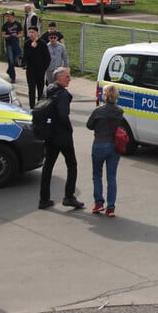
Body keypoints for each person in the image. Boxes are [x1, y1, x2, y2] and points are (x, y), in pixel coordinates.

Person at [38, 67, 83, 210]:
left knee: (48, 166)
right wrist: (69, 130)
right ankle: (69, 197)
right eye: (67, 77)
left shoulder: (48, 90)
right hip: (62, 136)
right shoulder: (62, 94)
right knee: (72, 164)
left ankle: (44, 199)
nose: (70, 79)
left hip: (50, 135)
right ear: (59, 77)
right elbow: (63, 115)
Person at [86, 84, 123, 217]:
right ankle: (111, 207)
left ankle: (99, 203)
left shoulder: (98, 111)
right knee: (111, 177)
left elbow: (89, 125)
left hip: (99, 144)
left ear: (105, 96)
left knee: (97, 175)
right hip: (113, 146)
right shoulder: (119, 111)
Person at [22, 27, 50, 109]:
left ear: (37, 33)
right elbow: (25, 57)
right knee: (31, 89)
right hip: (30, 70)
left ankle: (40, 106)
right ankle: (32, 107)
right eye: (30, 32)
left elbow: (47, 58)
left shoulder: (42, 43)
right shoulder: (27, 43)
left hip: (40, 71)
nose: (31, 34)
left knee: (40, 89)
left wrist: (44, 68)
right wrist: (31, 48)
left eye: (33, 32)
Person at [0, 10, 23, 84]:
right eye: (7, 16)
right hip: (9, 44)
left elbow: (21, 34)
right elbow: (3, 35)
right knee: (11, 60)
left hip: (16, 44)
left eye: (9, 16)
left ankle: (9, 70)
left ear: (13, 16)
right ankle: (13, 77)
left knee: (16, 60)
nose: (8, 17)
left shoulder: (17, 24)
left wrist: (17, 35)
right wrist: (9, 36)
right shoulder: (5, 25)